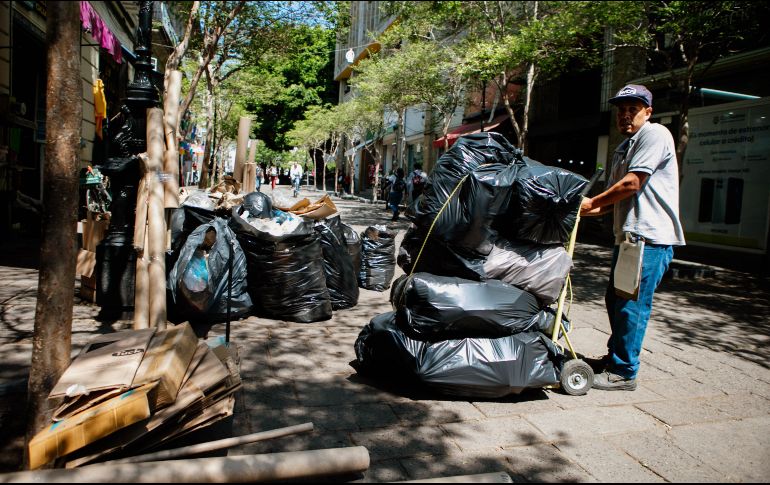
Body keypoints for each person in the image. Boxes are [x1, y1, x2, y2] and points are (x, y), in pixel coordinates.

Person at [580, 84, 686, 391]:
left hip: (648, 238)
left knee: (631, 305)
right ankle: (617, 357)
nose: (625, 114)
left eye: (633, 109)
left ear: (648, 112)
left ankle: (624, 371)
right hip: (628, 238)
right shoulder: (624, 147)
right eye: (621, 109)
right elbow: (615, 199)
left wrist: (593, 202)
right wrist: (583, 212)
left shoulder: (655, 135)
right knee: (615, 299)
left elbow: (631, 184)